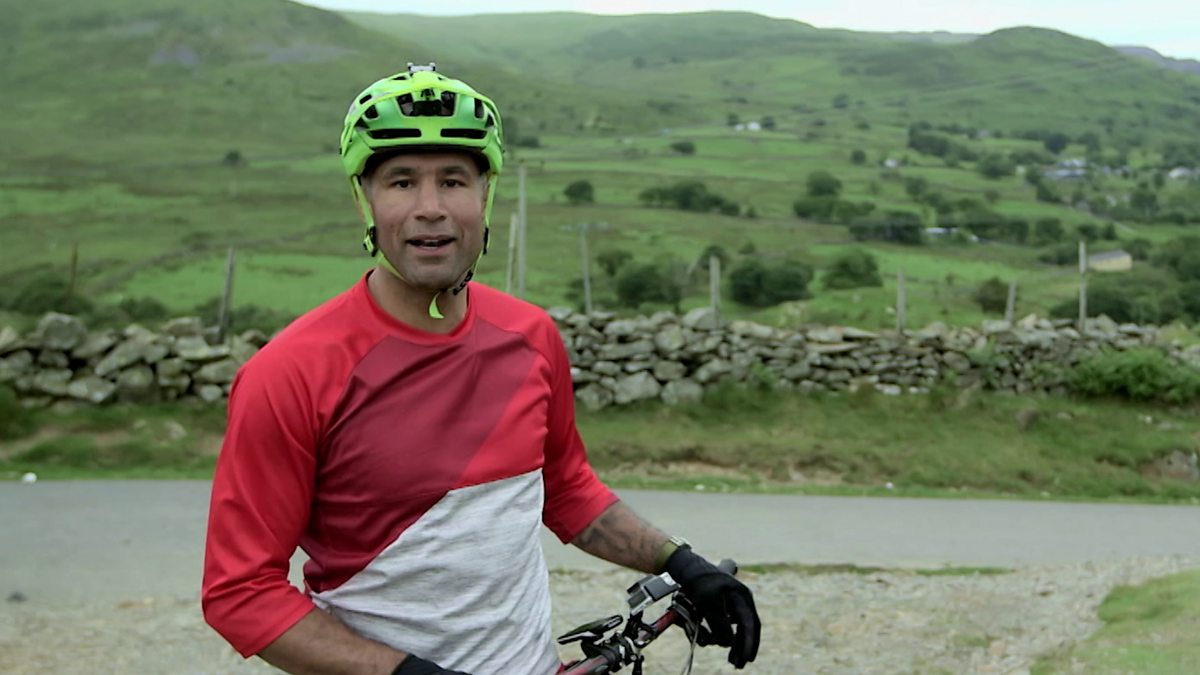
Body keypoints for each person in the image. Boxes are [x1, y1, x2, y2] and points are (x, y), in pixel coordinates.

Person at [201, 63, 760, 675]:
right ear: (364, 199)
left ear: (485, 194)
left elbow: (566, 490)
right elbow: (240, 592)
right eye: (402, 182)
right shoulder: (291, 373)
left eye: (454, 181)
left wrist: (681, 563)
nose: (431, 208)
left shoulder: (531, 337)